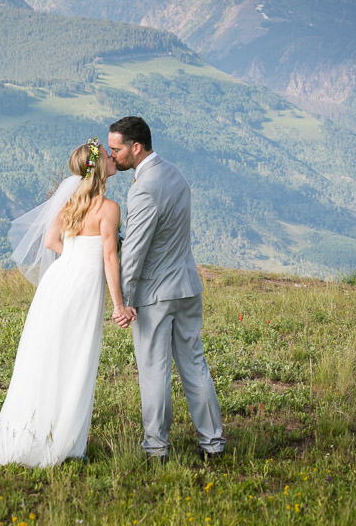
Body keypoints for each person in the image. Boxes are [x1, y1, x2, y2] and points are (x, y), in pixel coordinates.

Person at [0, 138, 124, 467]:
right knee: (76, 359)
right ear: (97, 166)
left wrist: (75, 258)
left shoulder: (71, 204)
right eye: (107, 155)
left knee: (46, 359)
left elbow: (50, 241)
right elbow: (109, 258)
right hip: (84, 288)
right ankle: (66, 445)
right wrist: (119, 305)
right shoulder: (108, 208)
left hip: (58, 282)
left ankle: (29, 437)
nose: (112, 157)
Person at [108, 116, 225, 462]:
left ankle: (156, 447)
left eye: (116, 149)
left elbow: (136, 252)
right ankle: (213, 444)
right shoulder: (176, 174)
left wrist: (123, 301)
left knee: (154, 370)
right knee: (194, 365)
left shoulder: (143, 187)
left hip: (155, 294)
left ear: (136, 147)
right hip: (187, 286)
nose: (112, 156)